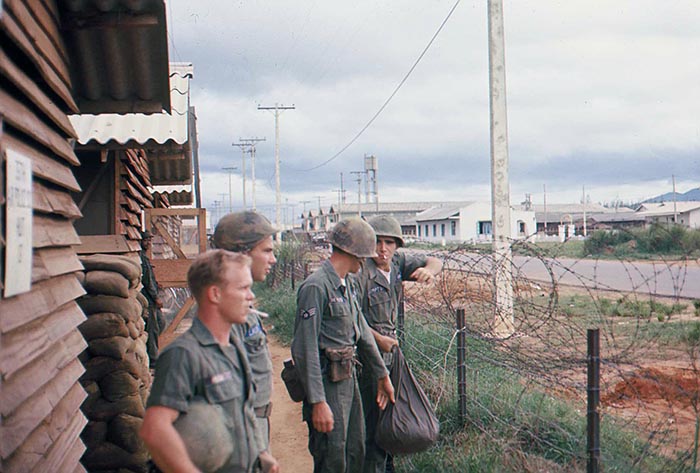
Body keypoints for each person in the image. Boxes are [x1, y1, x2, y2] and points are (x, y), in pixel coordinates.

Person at [140, 250, 279, 473]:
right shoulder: (184, 355)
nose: (251, 296)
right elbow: (154, 430)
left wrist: (260, 454)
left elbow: (241, 413)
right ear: (215, 294)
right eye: (243, 288)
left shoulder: (234, 347)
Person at [291, 218, 396, 473]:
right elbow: (304, 350)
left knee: (355, 451)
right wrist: (317, 401)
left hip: (349, 382)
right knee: (332, 456)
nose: (366, 261)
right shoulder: (317, 286)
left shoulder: (346, 284)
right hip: (328, 385)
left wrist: (382, 374)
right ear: (352, 252)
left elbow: (362, 333)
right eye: (364, 255)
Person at [357, 215, 443, 473]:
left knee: (388, 418)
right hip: (368, 357)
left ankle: (386, 465)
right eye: (377, 242)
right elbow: (351, 319)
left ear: (397, 245)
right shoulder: (360, 272)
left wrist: (429, 271)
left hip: (391, 355)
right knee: (372, 419)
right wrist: (377, 338)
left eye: (389, 243)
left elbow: (435, 260)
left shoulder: (397, 263)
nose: (382, 249)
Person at [212, 211, 278, 453]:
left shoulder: (238, 302)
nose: (273, 260)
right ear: (243, 254)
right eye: (267, 251)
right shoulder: (225, 309)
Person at [141, 230, 165, 367]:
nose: (148, 243)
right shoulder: (142, 259)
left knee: (160, 324)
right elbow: (147, 281)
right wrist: (156, 298)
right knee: (153, 327)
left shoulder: (145, 257)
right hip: (148, 299)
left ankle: (152, 351)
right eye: (146, 240)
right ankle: (153, 359)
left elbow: (151, 279)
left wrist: (157, 285)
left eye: (150, 241)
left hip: (151, 296)